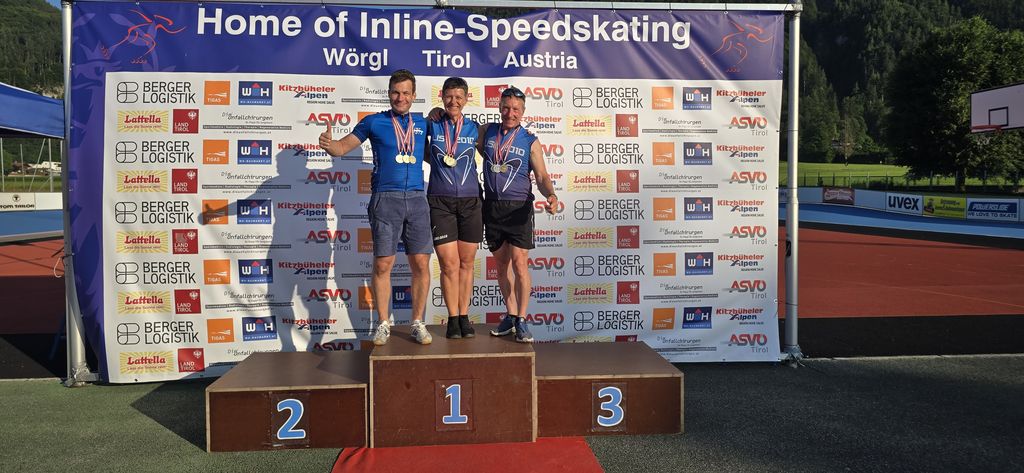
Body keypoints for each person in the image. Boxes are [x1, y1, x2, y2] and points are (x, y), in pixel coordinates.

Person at [318, 69, 432, 346]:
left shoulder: (424, 122)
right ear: (389, 93)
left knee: (421, 263)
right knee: (383, 264)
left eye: (406, 93)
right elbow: (342, 148)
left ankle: (417, 322)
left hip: (417, 199)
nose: (400, 98)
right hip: (385, 199)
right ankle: (383, 323)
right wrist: (330, 145)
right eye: (396, 92)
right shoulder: (373, 122)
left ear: (414, 96)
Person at [477, 86, 558, 343]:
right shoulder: (486, 131)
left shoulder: (529, 140)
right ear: (499, 107)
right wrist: (436, 113)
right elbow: (465, 138)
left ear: (523, 112)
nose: (510, 113)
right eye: (506, 108)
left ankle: (522, 319)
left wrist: (551, 195)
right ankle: (511, 315)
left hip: (519, 207)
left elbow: (542, 176)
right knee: (501, 266)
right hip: (492, 207)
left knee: (520, 264)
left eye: (515, 109)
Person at [426, 77, 482, 339]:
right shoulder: (432, 123)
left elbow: (496, 153)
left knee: (467, 263)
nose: (453, 102)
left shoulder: (475, 129)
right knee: (449, 264)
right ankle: (452, 318)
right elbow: (421, 149)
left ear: (467, 99)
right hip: (440, 201)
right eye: (449, 96)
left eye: (459, 97)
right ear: (442, 96)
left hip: (471, 201)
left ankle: (464, 316)